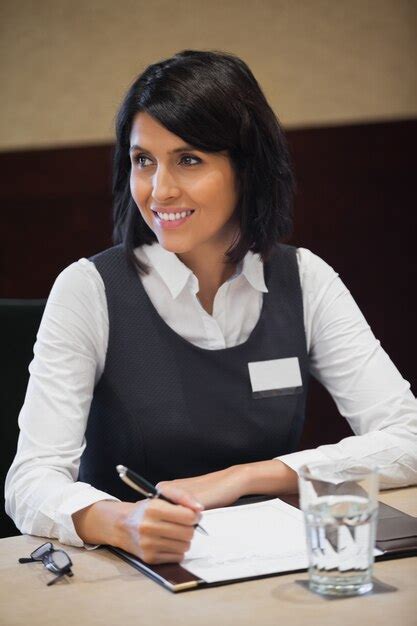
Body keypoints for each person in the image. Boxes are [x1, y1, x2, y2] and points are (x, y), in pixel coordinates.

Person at [5, 50, 417, 565]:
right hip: (136, 576)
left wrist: (246, 476)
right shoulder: (88, 289)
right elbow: (30, 479)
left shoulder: (306, 278)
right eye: (143, 161)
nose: (160, 190)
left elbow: (409, 437)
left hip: (270, 566)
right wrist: (121, 521)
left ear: (248, 166)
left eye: (189, 160)